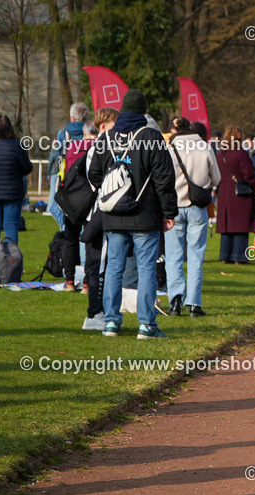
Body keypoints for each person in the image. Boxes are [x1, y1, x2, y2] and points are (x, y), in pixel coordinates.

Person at [87, 89, 177, 339]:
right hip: (145, 216)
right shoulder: (152, 137)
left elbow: (94, 175)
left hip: (113, 215)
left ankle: (111, 322)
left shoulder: (106, 138)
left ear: (123, 109)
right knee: (146, 269)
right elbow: (164, 179)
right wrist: (169, 212)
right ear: (142, 112)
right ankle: (147, 325)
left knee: (113, 267)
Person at [166, 116, 220, 317]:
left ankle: (175, 300)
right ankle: (195, 304)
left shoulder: (170, 148)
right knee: (196, 255)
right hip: (198, 206)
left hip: (174, 206)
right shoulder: (204, 147)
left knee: (173, 256)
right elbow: (217, 178)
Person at [77, 107, 118, 330]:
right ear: (104, 126)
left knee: (100, 264)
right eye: (114, 124)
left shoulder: (102, 146)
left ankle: (100, 312)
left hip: (99, 212)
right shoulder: (100, 147)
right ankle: (94, 314)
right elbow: (98, 183)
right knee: (98, 265)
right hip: (99, 212)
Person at [215, 126, 255, 264]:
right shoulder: (241, 153)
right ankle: (239, 257)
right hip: (240, 192)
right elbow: (249, 174)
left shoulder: (221, 154)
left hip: (224, 192)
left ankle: (225, 255)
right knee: (241, 226)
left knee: (227, 226)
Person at [0, 115, 33, 251]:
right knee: (11, 228)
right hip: (13, 194)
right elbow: (27, 168)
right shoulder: (17, 146)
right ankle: (11, 264)